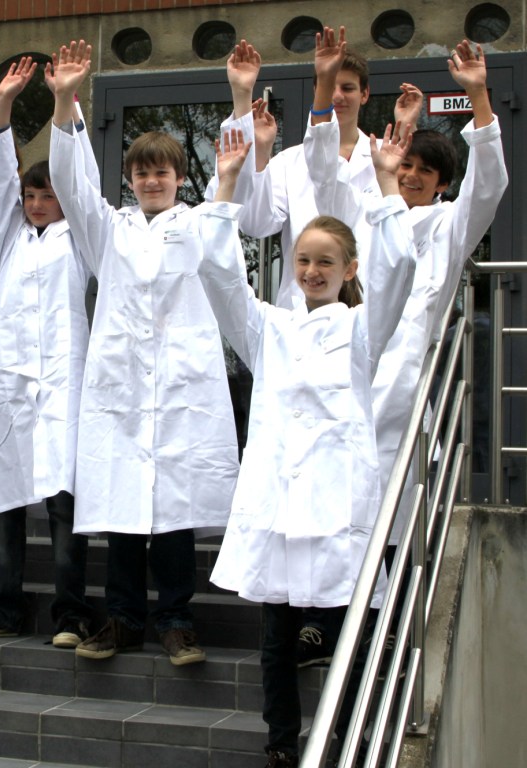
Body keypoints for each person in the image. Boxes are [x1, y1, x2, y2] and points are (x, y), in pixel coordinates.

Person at [203, 123, 416, 768]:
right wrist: (228, 187)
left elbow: (400, 269)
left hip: (336, 508)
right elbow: (219, 276)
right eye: (303, 260)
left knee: (351, 634)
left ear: (349, 270)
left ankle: (352, 739)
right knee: (276, 638)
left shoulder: (362, 331)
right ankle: (279, 743)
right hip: (279, 508)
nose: (312, 271)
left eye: (326, 262)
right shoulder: (268, 328)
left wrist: (387, 184)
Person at [299, 37, 508, 666]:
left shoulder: (448, 226)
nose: (412, 176)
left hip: (402, 391)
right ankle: (324, 623)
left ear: (442, 183)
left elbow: (490, 185)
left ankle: (382, 628)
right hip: (349, 378)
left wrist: (477, 94)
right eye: (405, 165)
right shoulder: (366, 212)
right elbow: (321, 173)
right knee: (336, 506)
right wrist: (323, 85)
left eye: (424, 172)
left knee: (390, 514)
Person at [49, 40, 239, 666]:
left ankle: (176, 620)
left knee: (175, 513)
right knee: (124, 511)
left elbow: (227, 229)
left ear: (179, 178)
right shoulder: (109, 229)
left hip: (181, 392)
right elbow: (73, 185)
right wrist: (65, 103)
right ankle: (125, 618)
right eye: (141, 173)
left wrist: (233, 153)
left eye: (162, 172)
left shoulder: (199, 224)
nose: (152, 181)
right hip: (124, 393)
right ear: (129, 180)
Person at [0, 56, 95, 646]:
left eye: (47, 194)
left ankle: (71, 613)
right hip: (10, 385)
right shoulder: (6, 239)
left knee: (62, 502)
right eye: (30, 195)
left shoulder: (79, 239)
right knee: (4, 500)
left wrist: (65, 101)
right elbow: (1, 182)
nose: (36, 203)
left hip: (61, 382)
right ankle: (4, 606)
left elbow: (80, 180)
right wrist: (3, 106)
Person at [207, 35, 422, 308]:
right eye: (329, 86)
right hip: (302, 308)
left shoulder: (385, 157)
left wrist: (407, 130)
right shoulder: (291, 162)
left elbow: (410, 219)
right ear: (317, 90)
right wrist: (260, 152)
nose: (338, 96)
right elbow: (256, 223)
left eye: (348, 88)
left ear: (365, 94)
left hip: (370, 305)